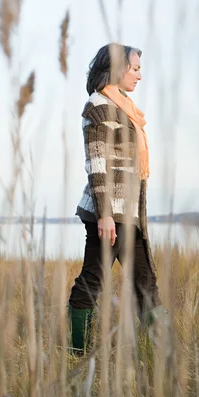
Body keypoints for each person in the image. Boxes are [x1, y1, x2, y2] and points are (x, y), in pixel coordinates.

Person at [68, 43, 168, 354]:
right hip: (108, 213)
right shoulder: (98, 106)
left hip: (130, 213)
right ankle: (76, 353)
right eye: (135, 68)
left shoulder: (125, 107)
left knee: (145, 283)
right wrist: (106, 214)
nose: (139, 75)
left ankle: (164, 354)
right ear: (116, 68)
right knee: (93, 280)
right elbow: (97, 164)